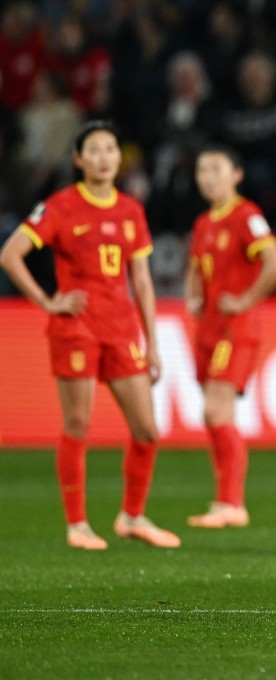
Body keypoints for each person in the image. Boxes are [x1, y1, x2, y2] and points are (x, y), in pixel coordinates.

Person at [0, 120, 180, 551]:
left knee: (147, 430)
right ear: (78, 159)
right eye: (94, 150)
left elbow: (141, 280)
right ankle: (77, 524)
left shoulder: (131, 209)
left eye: (110, 149)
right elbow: (10, 254)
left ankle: (132, 516)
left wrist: (152, 341)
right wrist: (47, 301)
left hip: (121, 329)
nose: (104, 158)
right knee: (78, 424)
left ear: (119, 157)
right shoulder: (61, 206)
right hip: (76, 327)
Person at [184, 145, 276, 528]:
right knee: (214, 415)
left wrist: (245, 300)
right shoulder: (204, 223)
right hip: (208, 328)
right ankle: (225, 502)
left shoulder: (247, 216)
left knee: (216, 411)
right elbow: (196, 267)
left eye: (216, 168)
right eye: (201, 170)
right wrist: (192, 294)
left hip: (236, 328)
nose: (208, 177)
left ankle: (232, 503)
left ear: (237, 175)